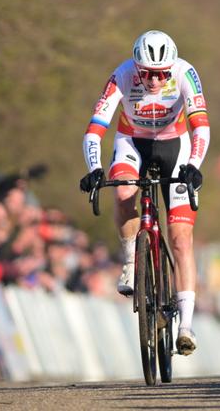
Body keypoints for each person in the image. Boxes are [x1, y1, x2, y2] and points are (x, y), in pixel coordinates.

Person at [78, 30, 210, 356]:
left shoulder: (185, 72)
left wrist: (194, 165)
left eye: (161, 74)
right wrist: (94, 168)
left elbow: (201, 126)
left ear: (170, 68)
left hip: (174, 146)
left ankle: (186, 326)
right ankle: (130, 261)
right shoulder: (122, 75)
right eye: (147, 73)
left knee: (180, 238)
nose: (153, 80)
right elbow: (95, 129)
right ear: (137, 67)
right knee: (123, 191)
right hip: (132, 142)